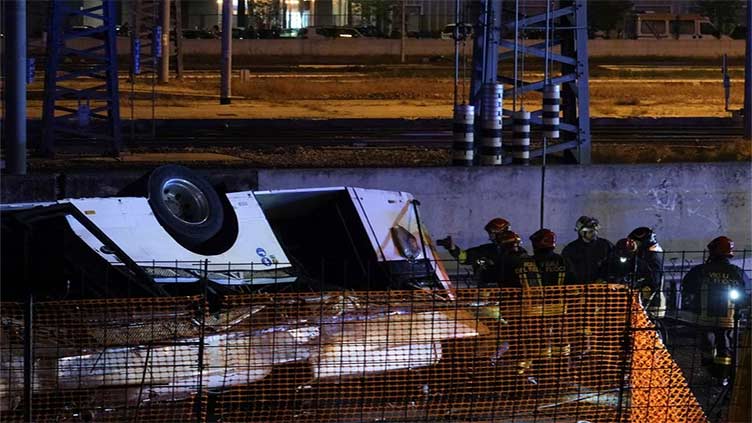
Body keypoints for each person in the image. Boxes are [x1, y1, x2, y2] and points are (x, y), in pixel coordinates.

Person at [681, 236, 751, 373]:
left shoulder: (700, 271)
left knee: (707, 344)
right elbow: (746, 292)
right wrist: (740, 309)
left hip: (704, 318)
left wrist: (693, 305)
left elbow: (687, 288)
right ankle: (723, 374)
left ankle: (709, 367)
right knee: (725, 346)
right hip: (728, 319)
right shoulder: (736, 272)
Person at [437, 218, 511, 286]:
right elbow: (464, 258)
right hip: (487, 291)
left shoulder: (517, 253)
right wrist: (452, 248)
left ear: (500, 233)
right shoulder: (486, 250)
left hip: (509, 292)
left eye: (492, 234)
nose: (490, 236)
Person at [562, 216, 614, 283]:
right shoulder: (570, 250)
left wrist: (603, 278)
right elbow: (568, 272)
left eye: (595, 230)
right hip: (579, 289)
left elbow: (612, 265)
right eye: (590, 231)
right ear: (581, 232)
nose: (594, 233)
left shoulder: (606, 246)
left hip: (601, 288)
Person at [628, 226, 666, 316]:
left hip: (652, 303)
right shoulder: (646, 255)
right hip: (648, 300)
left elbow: (654, 280)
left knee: (650, 327)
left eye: (635, 242)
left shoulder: (652, 257)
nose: (632, 245)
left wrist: (646, 298)